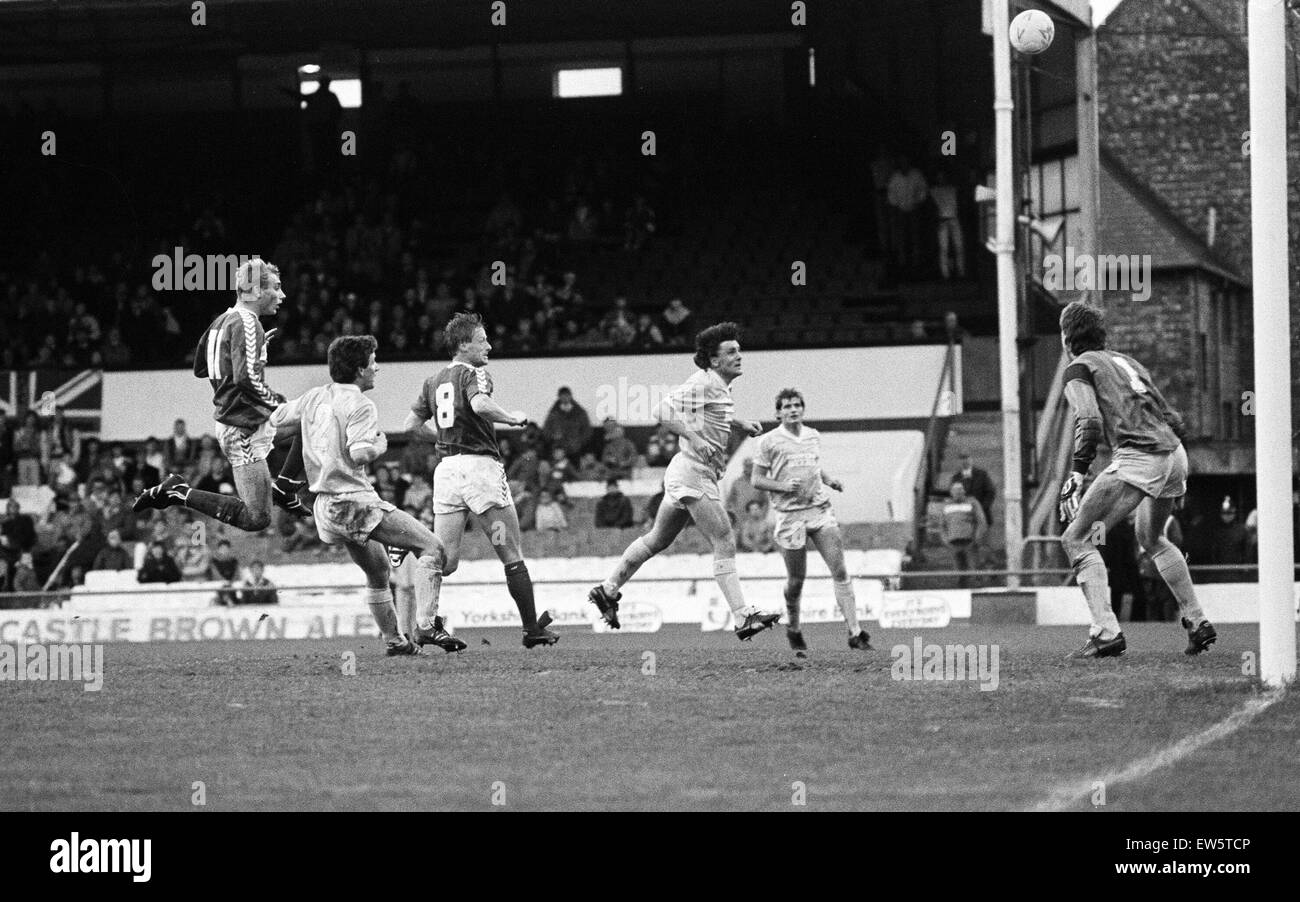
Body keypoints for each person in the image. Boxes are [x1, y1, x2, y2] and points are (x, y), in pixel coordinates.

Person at [588, 322, 780, 640]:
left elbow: (710, 413)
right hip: (693, 473)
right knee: (724, 539)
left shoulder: (718, 386)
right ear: (714, 360)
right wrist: (692, 436)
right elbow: (661, 410)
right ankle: (742, 616)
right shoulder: (703, 381)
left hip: (686, 470)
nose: (739, 355)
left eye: (738, 350)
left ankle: (608, 590)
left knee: (657, 540)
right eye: (731, 352)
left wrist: (740, 423)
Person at [271, 335, 460, 656]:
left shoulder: (314, 397)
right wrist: (380, 445)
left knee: (378, 572)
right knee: (433, 547)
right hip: (353, 501)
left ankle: (395, 642)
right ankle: (426, 625)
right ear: (359, 370)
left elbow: (275, 424)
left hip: (325, 508)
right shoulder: (360, 404)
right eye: (373, 362)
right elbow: (360, 454)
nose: (377, 368)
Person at [1057, 301, 1216, 658]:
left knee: (1076, 538)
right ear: (1101, 335)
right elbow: (1172, 417)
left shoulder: (1078, 368)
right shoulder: (1128, 362)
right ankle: (1197, 620)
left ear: (1067, 337)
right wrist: (1170, 466)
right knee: (1151, 537)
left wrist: (1077, 472)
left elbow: (1090, 421)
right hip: (1174, 453)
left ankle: (1105, 632)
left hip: (1139, 455)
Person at [401, 313, 557, 647]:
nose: (489, 345)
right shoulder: (475, 374)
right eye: (482, 339)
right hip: (479, 470)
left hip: (447, 471)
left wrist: (442, 440)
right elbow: (480, 404)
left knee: (444, 559)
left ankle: (423, 619)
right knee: (511, 552)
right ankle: (532, 629)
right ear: (463, 345)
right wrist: (511, 418)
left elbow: (410, 425)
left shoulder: (433, 381)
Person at [132, 258, 309, 530]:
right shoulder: (248, 324)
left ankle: (285, 488)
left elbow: (201, 368)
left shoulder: (220, 322)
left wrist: (252, 351)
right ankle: (178, 492)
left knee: (311, 419)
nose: (282, 294)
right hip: (243, 427)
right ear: (256, 291)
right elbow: (245, 378)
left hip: (244, 421)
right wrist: (277, 404)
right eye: (276, 287)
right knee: (257, 518)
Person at [750, 389, 871, 650]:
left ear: (803, 409)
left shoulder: (813, 436)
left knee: (840, 571)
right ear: (778, 412)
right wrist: (782, 486)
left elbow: (814, 466)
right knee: (796, 581)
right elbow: (756, 480)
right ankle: (793, 627)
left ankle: (855, 632)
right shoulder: (768, 441)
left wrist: (829, 480)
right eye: (786, 406)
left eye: (796, 405)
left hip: (819, 510)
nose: (792, 409)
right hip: (790, 516)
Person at [940, 482, 987, 588]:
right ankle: (960, 592)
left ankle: (978, 593)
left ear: (964, 491)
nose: (958, 492)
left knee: (974, 570)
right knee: (958, 573)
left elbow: (981, 521)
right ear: (951, 492)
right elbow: (942, 526)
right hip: (953, 544)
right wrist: (945, 540)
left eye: (960, 489)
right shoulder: (946, 505)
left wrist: (977, 538)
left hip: (969, 542)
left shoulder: (972, 503)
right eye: (955, 490)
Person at [541, 387, 593, 460]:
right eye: (562, 395)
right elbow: (546, 430)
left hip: (575, 450)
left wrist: (578, 442)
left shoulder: (580, 413)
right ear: (559, 397)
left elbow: (587, 431)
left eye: (567, 395)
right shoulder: (553, 413)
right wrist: (553, 436)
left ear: (570, 396)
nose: (565, 398)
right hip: (558, 450)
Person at [951, 451, 996, 530]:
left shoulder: (982, 474)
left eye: (967, 458)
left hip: (983, 518)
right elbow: (954, 497)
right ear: (958, 462)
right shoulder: (955, 478)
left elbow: (991, 492)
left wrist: (981, 508)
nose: (965, 462)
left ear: (971, 460)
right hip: (964, 521)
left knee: (984, 541)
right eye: (962, 459)